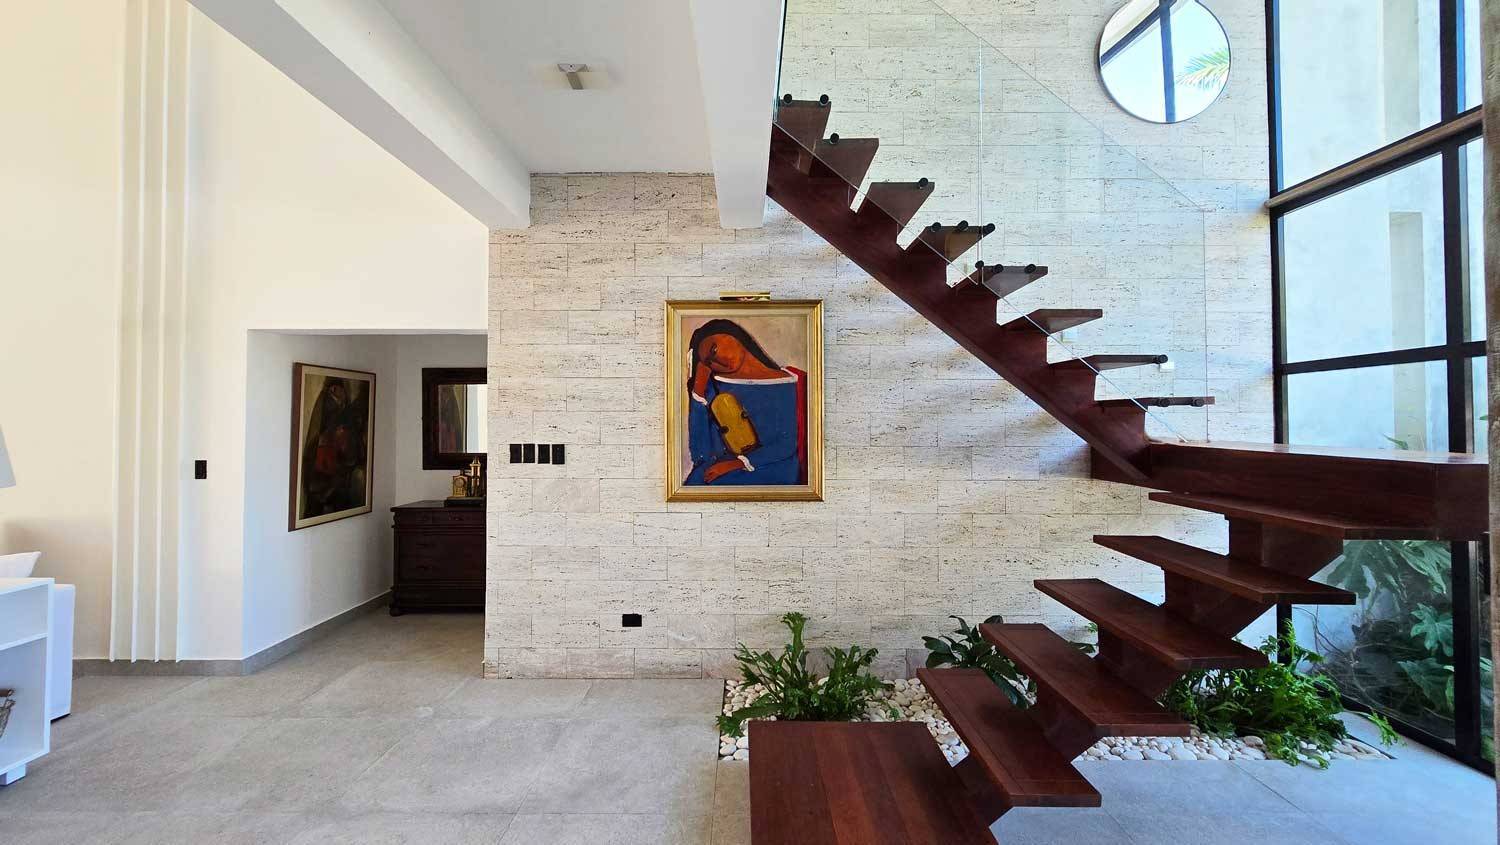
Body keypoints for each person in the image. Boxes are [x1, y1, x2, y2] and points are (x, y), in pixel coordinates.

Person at [684, 319, 807, 486]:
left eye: (714, 350)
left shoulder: (793, 382)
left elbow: (787, 445)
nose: (716, 362)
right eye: (709, 363)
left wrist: (738, 463)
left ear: (732, 334)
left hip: (774, 470)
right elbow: (701, 456)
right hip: (718, 473)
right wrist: (698, 393)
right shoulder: (716, 390)